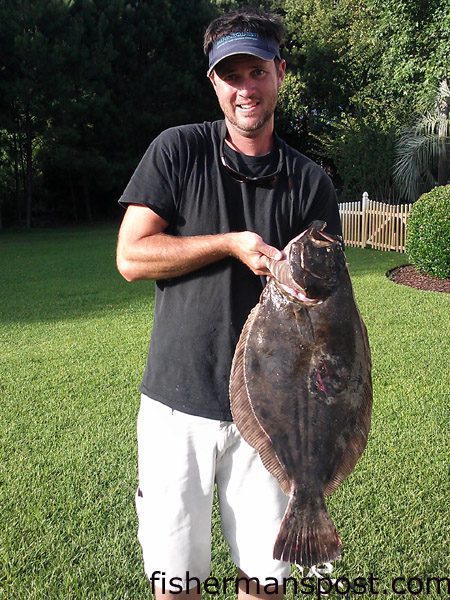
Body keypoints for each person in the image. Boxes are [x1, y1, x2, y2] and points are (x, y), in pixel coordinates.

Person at [116, 8, 342, 599]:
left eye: (257, 71)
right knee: (176, 580)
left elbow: (328, 320)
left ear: (280, 74)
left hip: (271, 418)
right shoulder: (177, 152)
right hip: (177, 405)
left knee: (264, 583)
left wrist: (317, 440)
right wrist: (229, 244)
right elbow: (132, 258)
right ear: (214, 82)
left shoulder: (309, 182)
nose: (246, 88)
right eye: (231, 74)